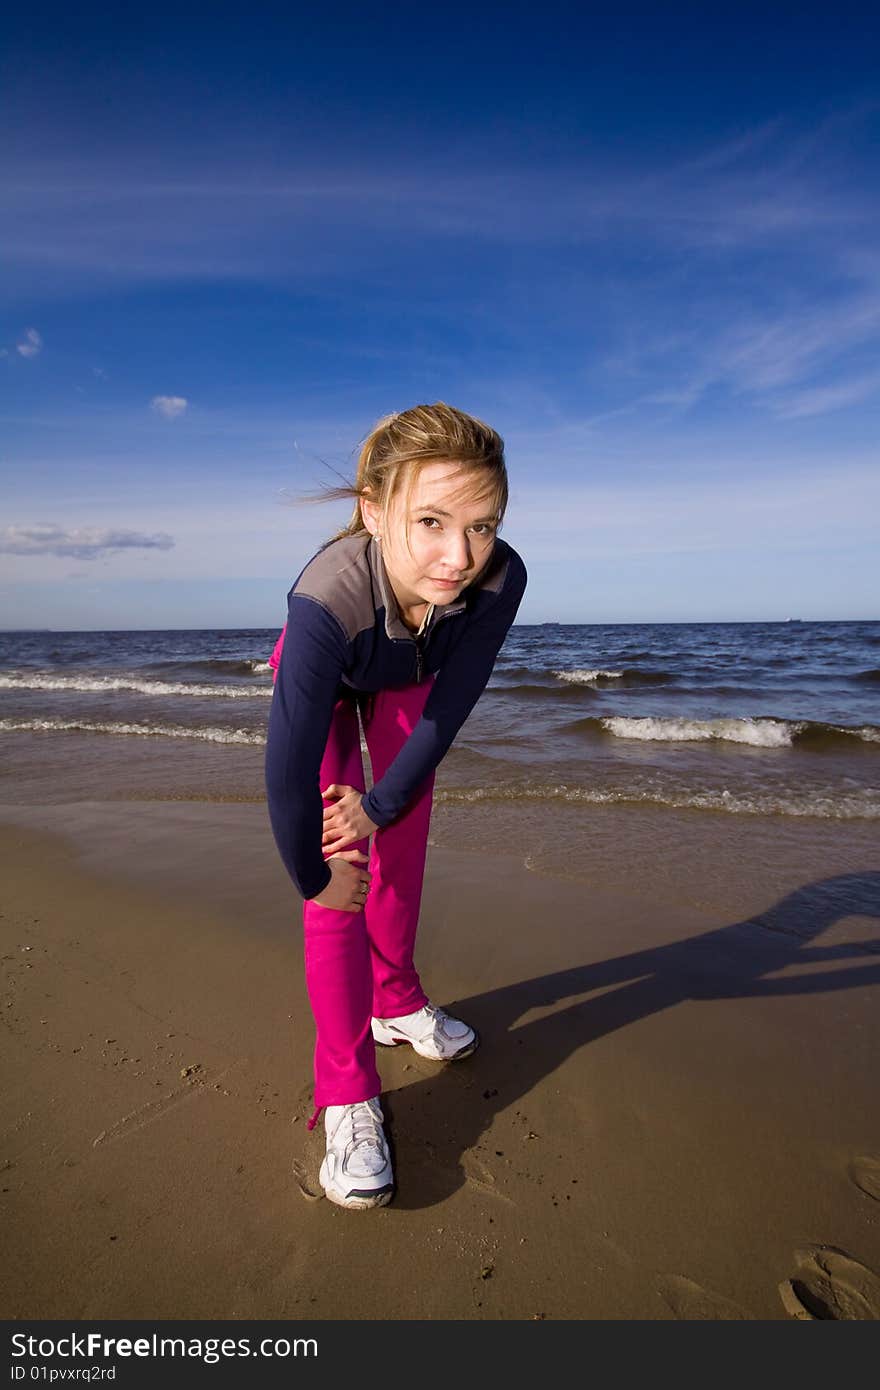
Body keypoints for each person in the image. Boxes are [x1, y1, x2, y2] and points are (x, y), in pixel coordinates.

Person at [265, 402, 527, 1210]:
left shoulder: (500, 578)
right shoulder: (325, 601)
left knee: (401, 832)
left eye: (481, 526)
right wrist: (312, 873)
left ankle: (397, 999)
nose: (459, 556)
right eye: (431, 522)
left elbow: (450, 709)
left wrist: (383, 802)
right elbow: (288, 769)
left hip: (408, 678)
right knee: (343, 866)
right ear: (375, 513)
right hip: (334, 679)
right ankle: (346, 1093)